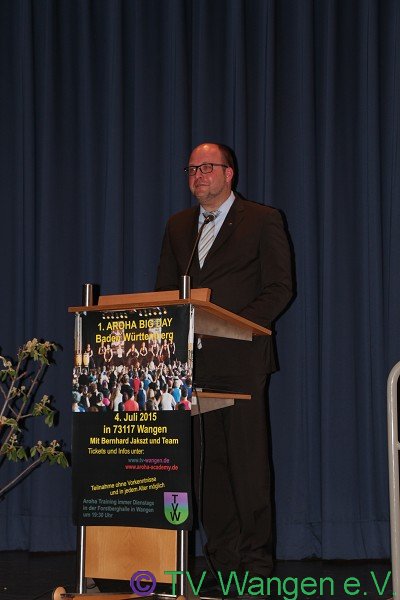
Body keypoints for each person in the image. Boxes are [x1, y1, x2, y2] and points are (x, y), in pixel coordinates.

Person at [155, 142, 292, 578]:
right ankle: (222, 563)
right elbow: (165, 291)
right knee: (209, 466)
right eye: (192, 169)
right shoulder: (179, 226)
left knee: (248, 465)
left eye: (207, 167)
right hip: (191, 365)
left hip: (242, 358)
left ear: (229, 173)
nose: (198, 175)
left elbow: (280, 287)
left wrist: (236, 325)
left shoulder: (263, 220)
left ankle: (256, 564)